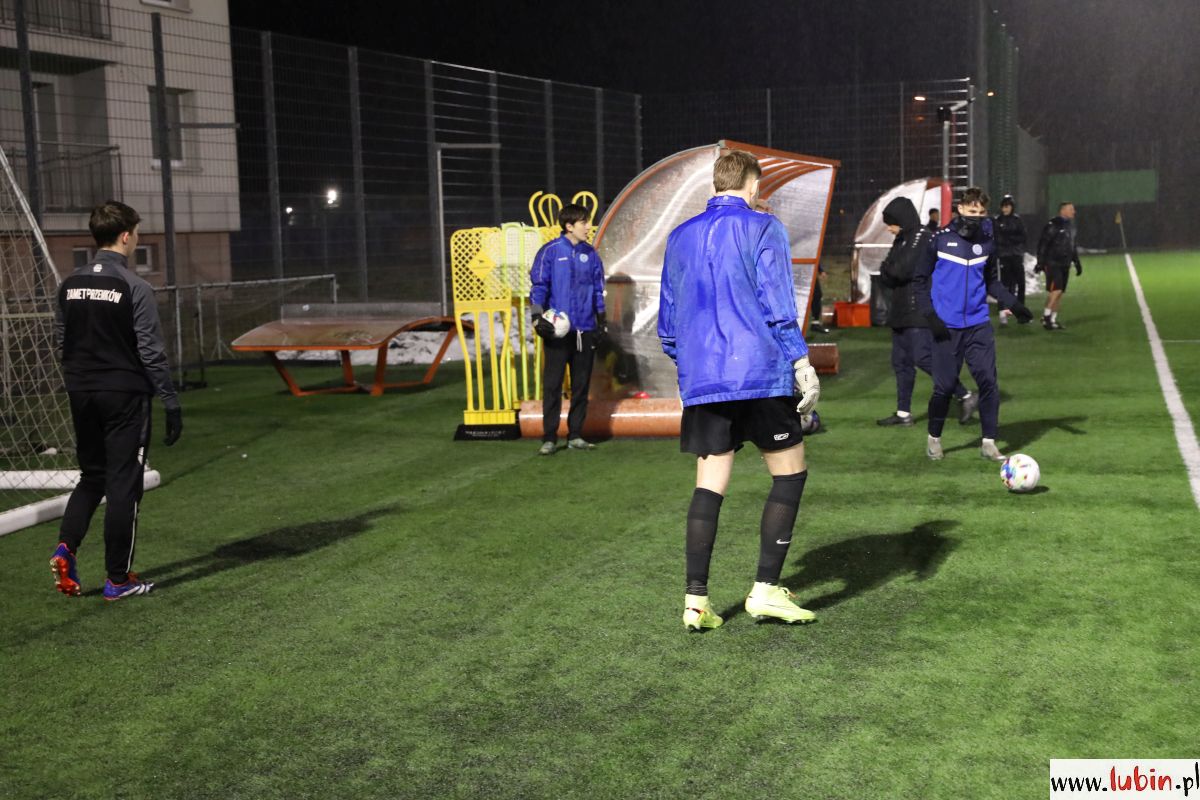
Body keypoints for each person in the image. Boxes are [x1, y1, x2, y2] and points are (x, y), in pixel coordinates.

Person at [659, 149, 820, 631]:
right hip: (760, 372)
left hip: (705, 380)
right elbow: (777, 302)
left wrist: (691, 367)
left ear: (715, 184)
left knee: (709, 484)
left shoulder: (679, 236)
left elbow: (668, 322)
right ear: (752, 185)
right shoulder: (763, 226)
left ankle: (695, 602)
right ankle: (765, 590)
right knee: (789, 474)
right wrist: (800, 361)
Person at [49, 201, 182, 601]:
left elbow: (62, 340)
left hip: (81, 391)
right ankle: (117, 580)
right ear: (126, 236)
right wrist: (170, 402)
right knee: (124, 483)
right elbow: (151, 353)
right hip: (124, 394)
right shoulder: (134, 286)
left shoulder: (69, 284)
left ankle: (65, 548)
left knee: (92, 476)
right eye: (136, 233)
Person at [914, 187, 1033, 462]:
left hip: (978, 324)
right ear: (960, 209)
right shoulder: (939, 239)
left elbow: (991, 281)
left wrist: (1013, 304)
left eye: (981, 212)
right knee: (944, 388)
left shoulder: (987, 242)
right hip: (946, 326)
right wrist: (931, 316)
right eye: (971, 211)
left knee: (988, 382)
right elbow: (919, 281)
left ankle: (988, 443)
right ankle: (934, 438)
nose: (976, 216)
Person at [875, 197, 978, 428]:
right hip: (901, 310)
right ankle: (903, 414)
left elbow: (899, 270)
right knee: (901, 362)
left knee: (923, 357)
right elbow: (887, 274)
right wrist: (891, 270)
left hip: (919, 309)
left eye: (891, 223)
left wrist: (891, 270)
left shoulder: (922, 236)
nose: (889, 229)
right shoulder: (903, 239)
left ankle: (965, 395)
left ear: (902, 219)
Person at [529, 203, 607, 455]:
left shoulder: (591, 254)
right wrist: (537, 317)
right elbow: (539, 286)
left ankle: (575, 435)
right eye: (584, 222)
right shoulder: (550, 252)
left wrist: (601, 320)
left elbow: (598, 290)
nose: (589, 227)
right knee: (553, 385)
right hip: (558, 332)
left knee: (581, 386)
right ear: (569, 226)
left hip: (585, 329)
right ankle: (549, 437)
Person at [1035, 202, 1082, 331]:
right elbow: (1043, 244)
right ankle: (1046, 317)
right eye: (1071, 209)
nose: (1073, 211)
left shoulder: (1070, 226)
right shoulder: (1053, 225)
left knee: (1059, 292)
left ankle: (1052, 320)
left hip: (1065, 263)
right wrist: (1040, 262)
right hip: (1053, 263)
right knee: (1056, 290)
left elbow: (1072, 246)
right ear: (1063, 210)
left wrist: (1076, 262)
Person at [993, 194, 1028, 327]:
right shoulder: (997, 221)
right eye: (1004, 206)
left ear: (1012, 207)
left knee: (1021, 284)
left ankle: (1021, 314)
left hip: (1016, 256)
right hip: (1004, 257)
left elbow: (1023, 236)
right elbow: (996, 238)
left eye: (1008, 206)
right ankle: (1003, 315)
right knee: (1004, 286)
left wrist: (1010, 239)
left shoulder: (1017, 220)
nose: (1005, 209)